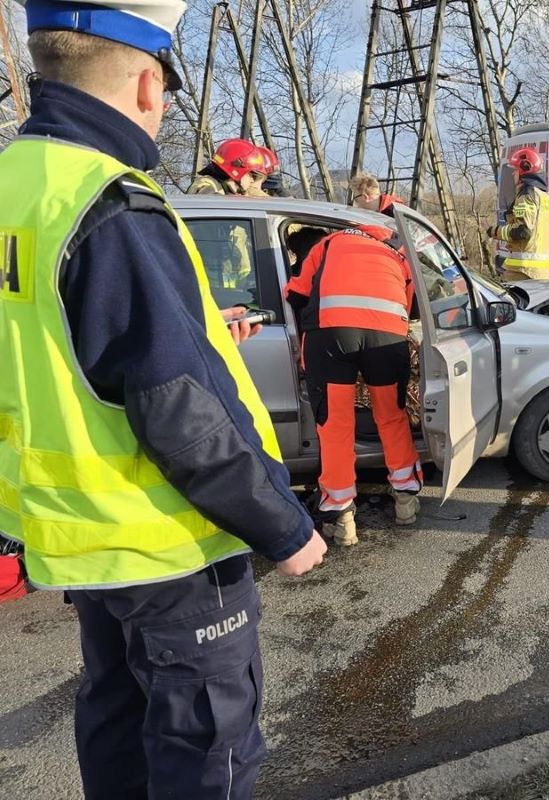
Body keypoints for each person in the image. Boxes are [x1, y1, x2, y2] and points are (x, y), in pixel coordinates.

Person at [0, 1, 327, 797]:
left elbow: (57, 339)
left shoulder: (15, 183)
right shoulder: (111, 203)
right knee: (202, 751)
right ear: (148, 82)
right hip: (172, 545)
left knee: (114, 721)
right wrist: (283, 527)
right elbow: (179, 409)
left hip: (79, 539)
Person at [285, 224, 423, 545]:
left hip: (331, 335)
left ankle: (343, 516)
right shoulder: (398, 253)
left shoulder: (329, 242)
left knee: (335, 424)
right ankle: (405, 502)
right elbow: (412, 305)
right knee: (392, 415)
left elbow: (296, 292)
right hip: (387, 336)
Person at [487, 147, 549, 281]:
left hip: (522, 271)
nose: (513, 174)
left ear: (524, 169)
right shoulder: (544, 196)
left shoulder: (526, 196)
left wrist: (495, 231)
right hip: (538, 270)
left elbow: (522, 231)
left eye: (515, 170)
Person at [189, 137, 266, 195]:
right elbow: (204, 203)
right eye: (253, 175)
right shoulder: (207, 185)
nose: (252, 180)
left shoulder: (228, 190)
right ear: (237, 170)